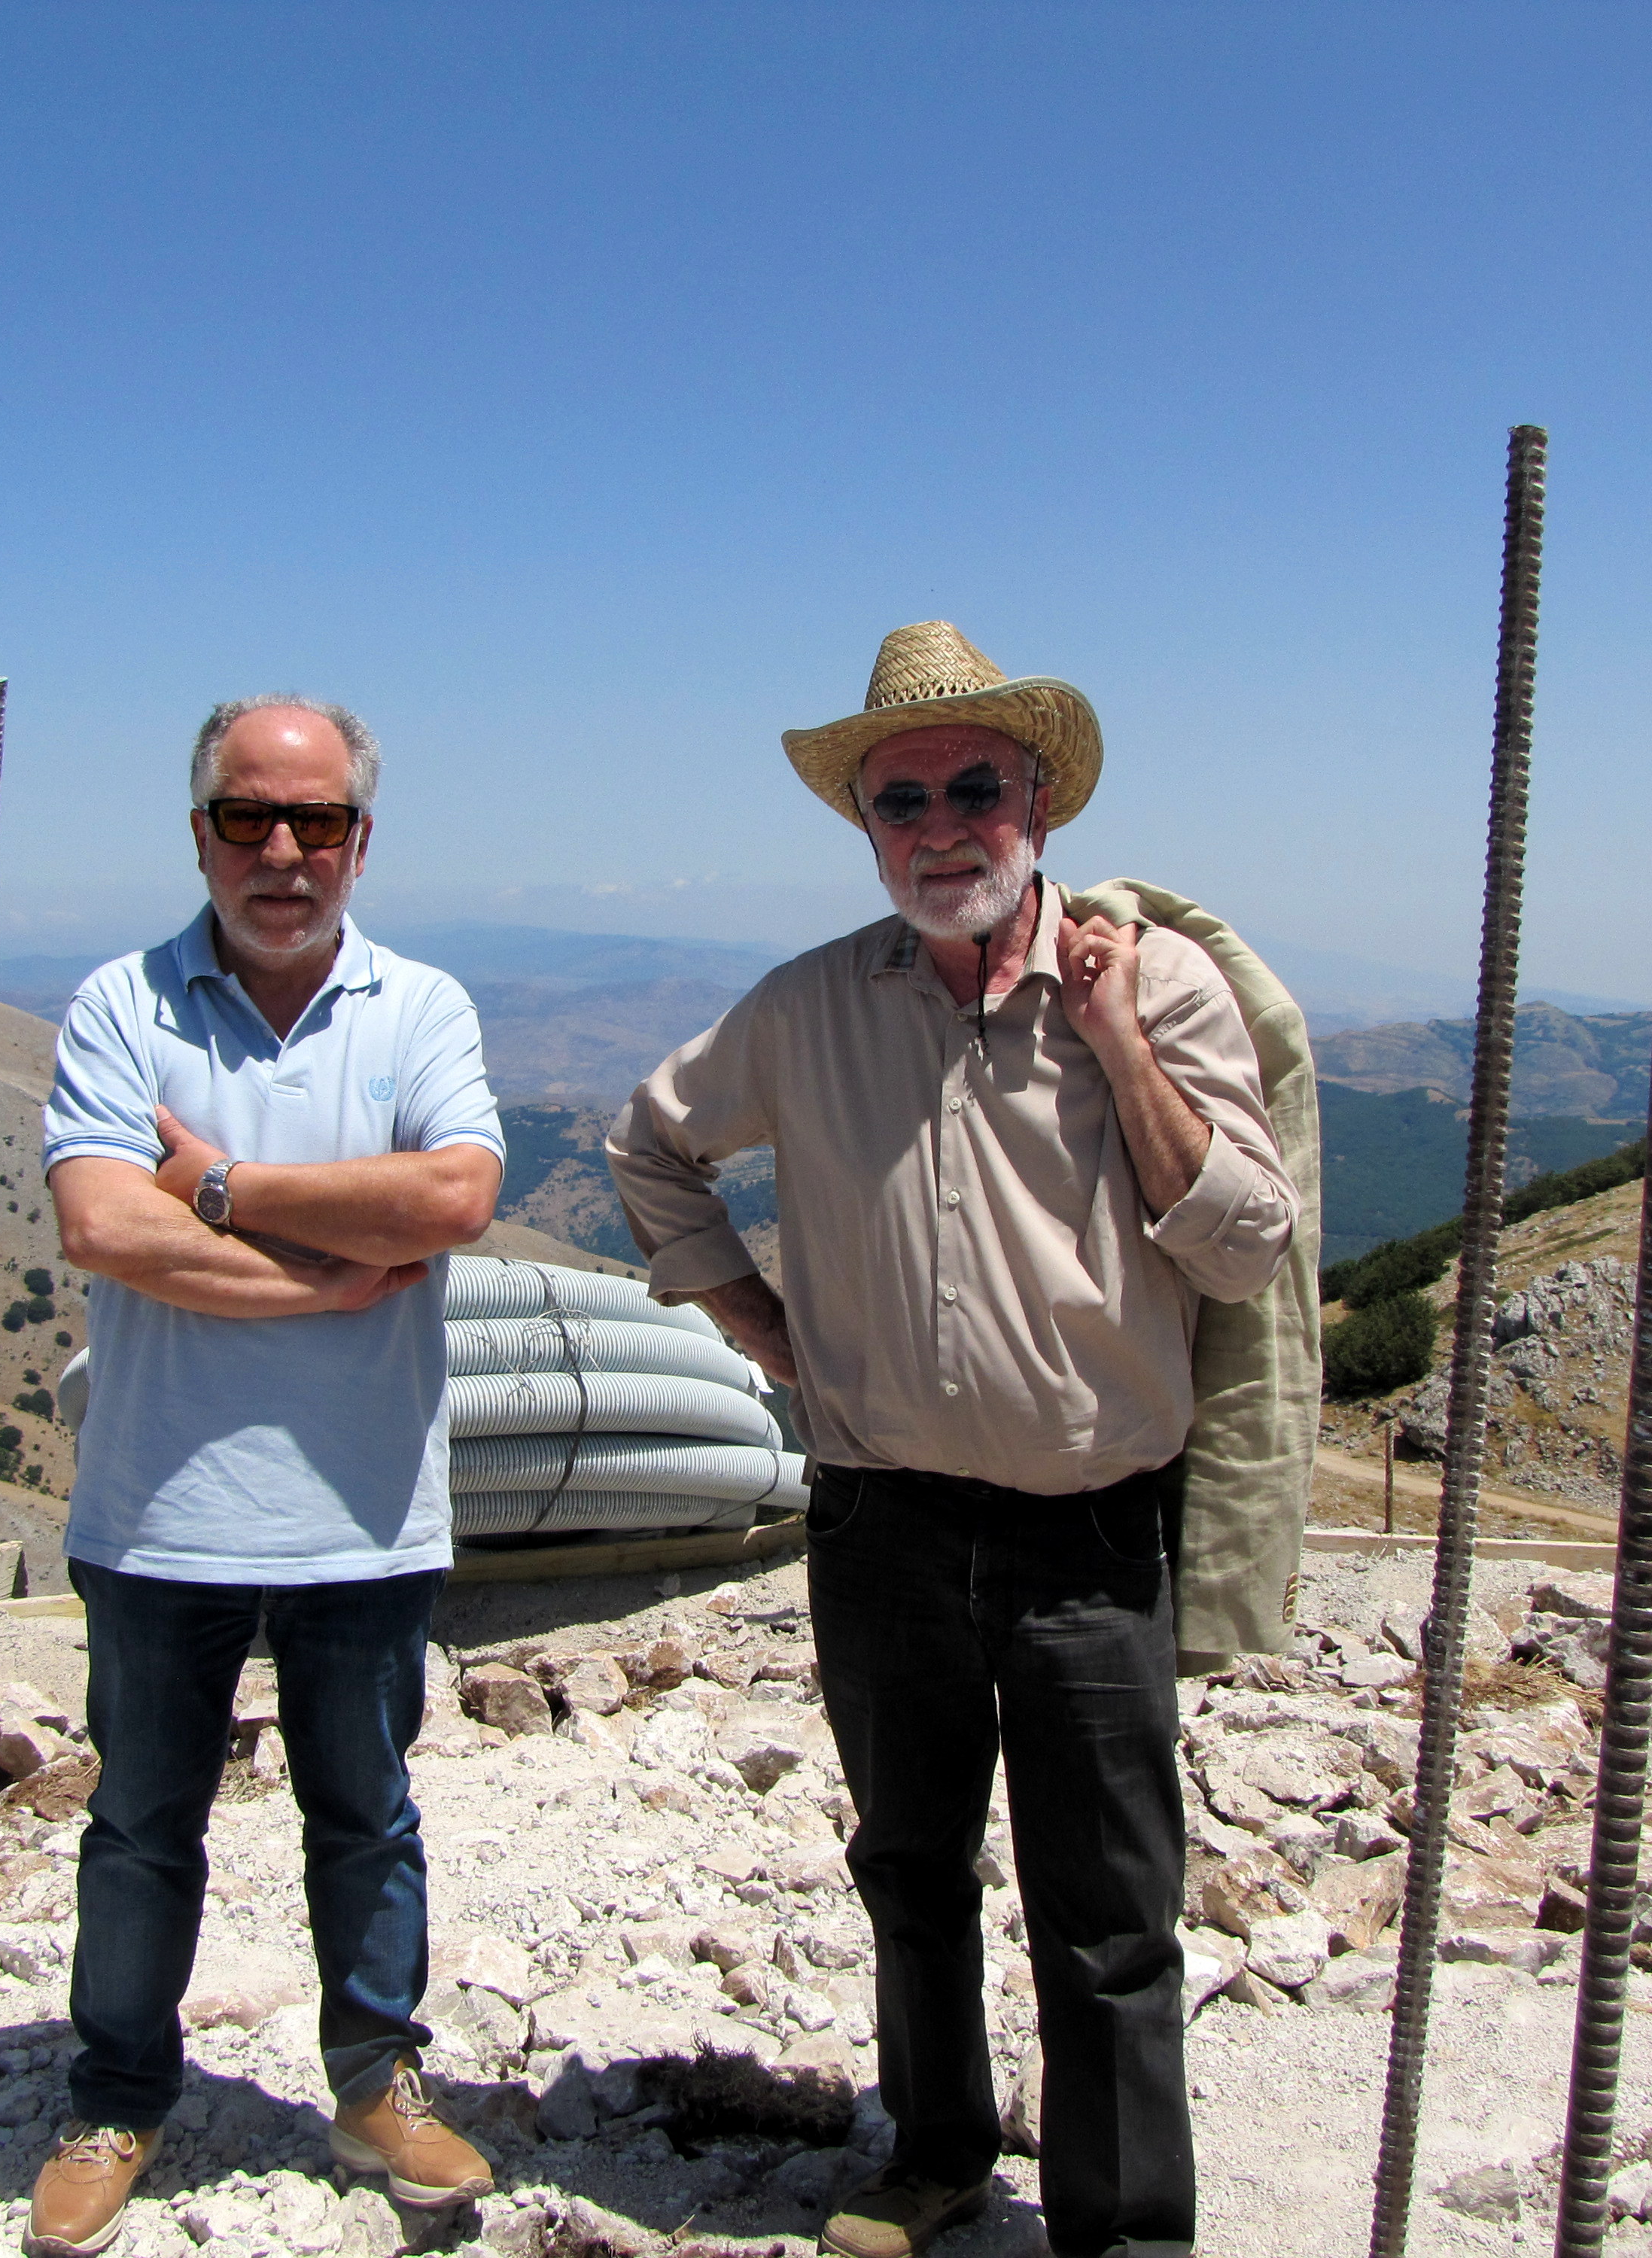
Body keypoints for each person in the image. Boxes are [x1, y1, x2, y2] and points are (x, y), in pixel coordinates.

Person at [606, 623, 1300, 2258]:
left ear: (1036, 800)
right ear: (863, 825)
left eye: (969, 788)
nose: (935, 827)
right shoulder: (806, 1007)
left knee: (1111, 1919)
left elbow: (1247, 1241)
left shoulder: (1159, 985)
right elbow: (651, 1145)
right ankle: (932, 2159)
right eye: (895, 798)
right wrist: (758, 1327)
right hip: (879, 1525)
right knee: (910, 1869)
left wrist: (1118, 1038)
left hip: (1085, 1530)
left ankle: (1122, 2232)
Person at [29, 695, 504, 2254]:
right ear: (200, 835)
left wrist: (221, 1185)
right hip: (157, 1509)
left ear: (360, 840)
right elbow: (101, 1226)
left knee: (364, 1815)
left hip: (363, 1516)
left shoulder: (418, 1005)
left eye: (313, 824)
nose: (282, 853)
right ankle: (113, 2098)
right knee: (141, 1826)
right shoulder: (119, 1003)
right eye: (249, 818)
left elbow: (450, 1196)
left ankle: (376, 2085)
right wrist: (323, 1274)